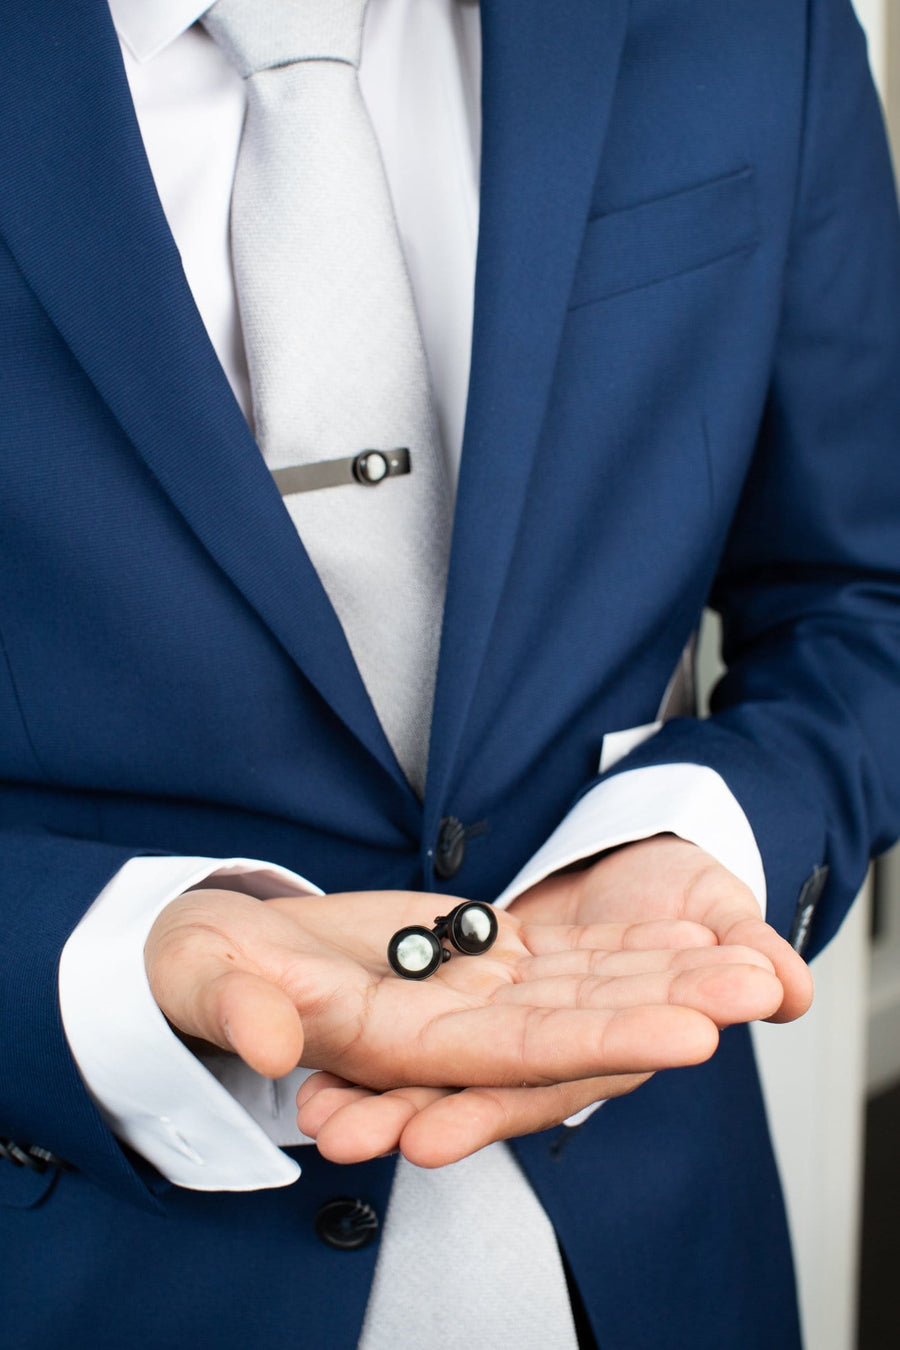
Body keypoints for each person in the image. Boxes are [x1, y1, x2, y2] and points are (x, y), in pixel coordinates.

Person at [1, 0, 899, 1346]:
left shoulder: (762, 26)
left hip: (659, 1259)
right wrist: (105, 965)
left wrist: (695, 835)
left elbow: (864, 590)